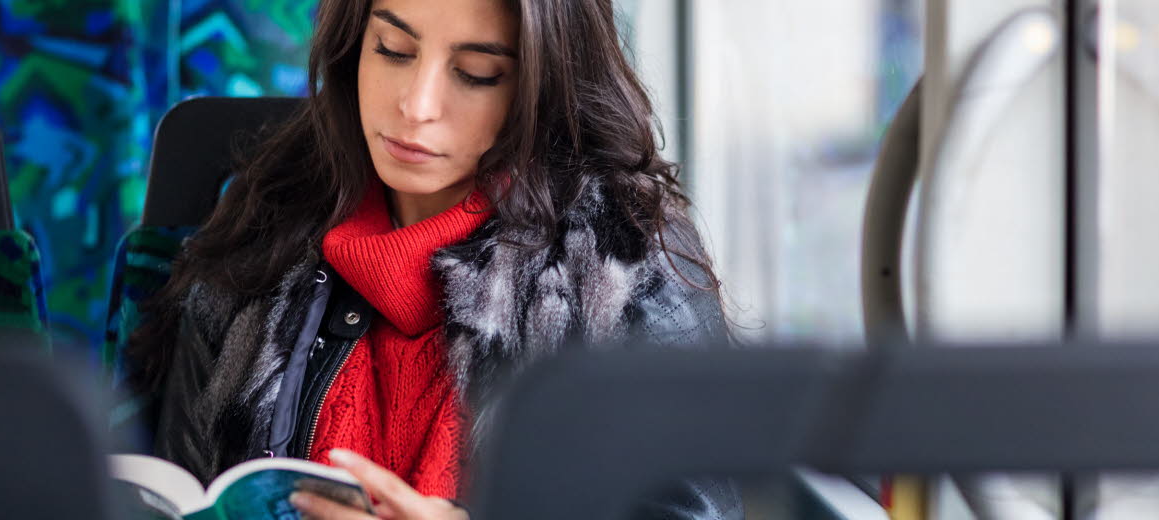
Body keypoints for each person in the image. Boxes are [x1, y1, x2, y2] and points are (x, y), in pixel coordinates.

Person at [125, 0, 738, 517]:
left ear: (542, 86)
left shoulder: (625, 262)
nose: (416, 106)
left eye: (475, 73)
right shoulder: (259, 235)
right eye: (392, 49)